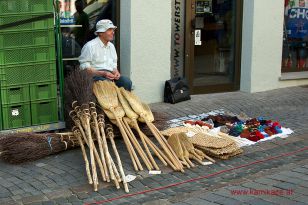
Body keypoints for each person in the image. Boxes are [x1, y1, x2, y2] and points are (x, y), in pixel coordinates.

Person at [79, 19, 132, 91]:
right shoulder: (90, 46)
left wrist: (116, 72)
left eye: (113, 30)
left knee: (126, 82)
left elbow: (113, 64)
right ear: (100, 33)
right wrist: (102, 73)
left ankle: (122, 102)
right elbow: (84, 68)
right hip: (95, 76)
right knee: (107, 84)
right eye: (109, 30)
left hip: (109, 75)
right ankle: (108, 101)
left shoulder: (111, 46)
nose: (113, 32)